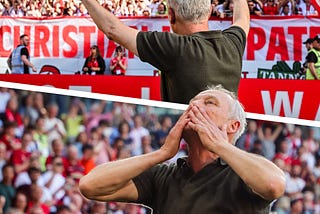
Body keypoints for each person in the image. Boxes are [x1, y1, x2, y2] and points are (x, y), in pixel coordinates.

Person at [79, 85, 286, 213]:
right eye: (191, 104)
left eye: (209, 103)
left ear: (233, 126)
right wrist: (160, 154)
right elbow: (90, 185)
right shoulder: (164, 175)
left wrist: (219, 145)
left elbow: (273, 184)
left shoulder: (242, 174)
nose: (193, 108)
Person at [81, 0, 250, 104]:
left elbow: (112, 29)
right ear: (211, 10)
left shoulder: (175, 48)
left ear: (171, 15)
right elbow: (243, 18)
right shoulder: (232, 43)